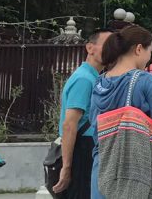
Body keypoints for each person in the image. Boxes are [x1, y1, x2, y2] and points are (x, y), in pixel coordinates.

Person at [89, 25, 152, 199]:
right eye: (150, 51)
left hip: (104, 164)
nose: (149, 57)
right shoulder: (145, 80)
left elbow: (94, 124)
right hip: (141, 164)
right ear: (139, 49)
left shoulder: (100, 82)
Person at [52, 29, 111, 198]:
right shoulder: (85, 79)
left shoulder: (91, 76)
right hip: (81, 149)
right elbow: (69, 124)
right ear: (90, 48)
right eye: (106, 45)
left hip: (84, 147)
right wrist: (67, 166)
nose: (111, 50)